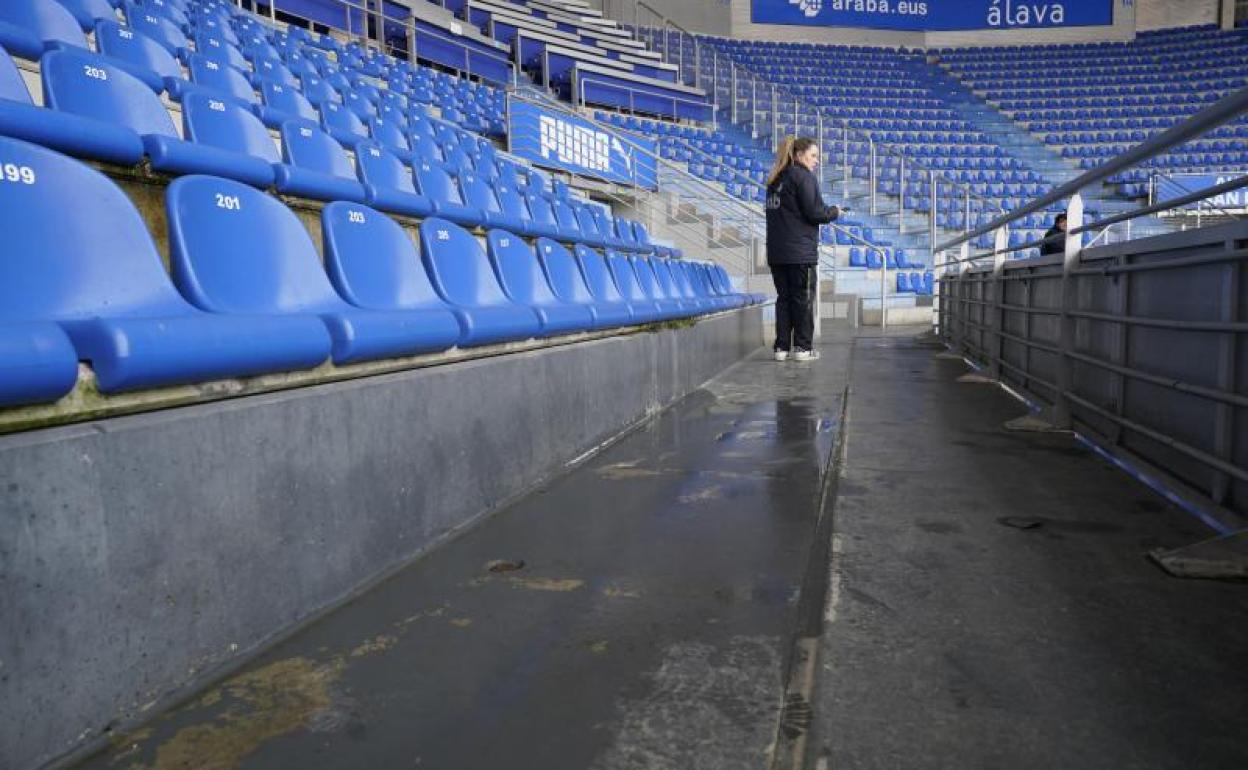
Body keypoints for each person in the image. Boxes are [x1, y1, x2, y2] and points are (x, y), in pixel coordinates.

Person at [765, 136, 840, 362]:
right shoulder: (803, 177)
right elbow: (815, 212)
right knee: (803, 300)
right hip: (800, 253)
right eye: (813, 155)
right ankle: (803, 348)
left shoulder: (775, 180)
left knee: (784, 299)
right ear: (798, 155)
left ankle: (781, 348)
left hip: (777, 253)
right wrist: (835, 211)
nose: (817, 160)